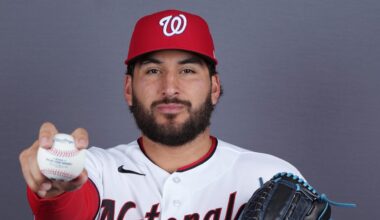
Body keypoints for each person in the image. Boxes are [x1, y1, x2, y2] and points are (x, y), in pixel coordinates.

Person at [19, 9, 302, 219]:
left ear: (214, 87)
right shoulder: (94, 169)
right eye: (153, 71)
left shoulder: (268, 177)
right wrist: (54, 190)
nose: (169, 88)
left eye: (187, 71)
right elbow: (69, 206)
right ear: (129, 88)